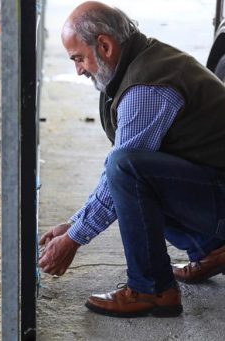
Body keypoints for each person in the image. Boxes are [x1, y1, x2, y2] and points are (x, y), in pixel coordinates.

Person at [38, 1, 225, 318]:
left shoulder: (146, 87)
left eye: (79, 58)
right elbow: (118, 173)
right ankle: (211, 249)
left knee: (129, 169)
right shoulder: (141, 60)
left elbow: (122, 172)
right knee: (132, 168)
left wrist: (73, 239)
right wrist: (74, 222)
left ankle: (151, 288)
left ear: (105, 46)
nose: (79, 69)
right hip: (215, 186)